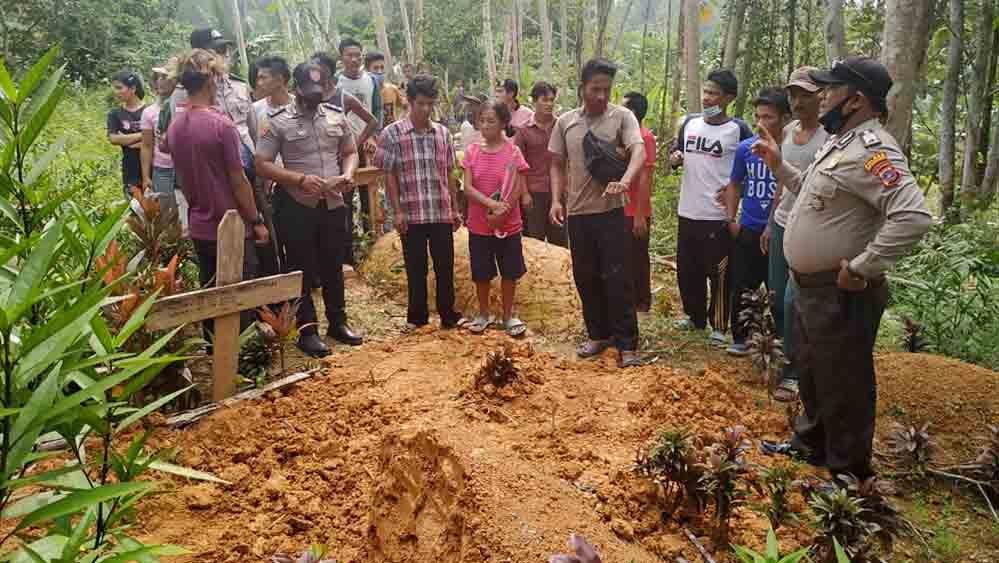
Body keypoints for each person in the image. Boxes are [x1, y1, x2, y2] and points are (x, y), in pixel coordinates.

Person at [754, 57, 933, 478]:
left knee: (844, 381)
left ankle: (849, 474)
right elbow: (812, 193)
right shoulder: (840, 144)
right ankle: (812, 444)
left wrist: (861, 267)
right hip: (811, 288)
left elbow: (913, 216)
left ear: (855, 100)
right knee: (813, 370)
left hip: (840, 291)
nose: (822, 96)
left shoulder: (874, 149)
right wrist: (779, 165)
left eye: (831, 89)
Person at [256, 62, 364, 358]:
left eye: (319, 92)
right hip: (296, 205)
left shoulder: (336, 115)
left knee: (333, 264)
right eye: (308, 94)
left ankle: (338, 322)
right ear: (296, 88)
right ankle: (308, 331)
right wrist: (299, 179)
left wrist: (348, 174)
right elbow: (261, 164)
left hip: (333, 202)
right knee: (301, 267)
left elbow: (350, 151)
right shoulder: (276, 120)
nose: (314, 99)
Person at [164, 49, 269, 337]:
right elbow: (238, 181)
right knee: (239, 297)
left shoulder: (175, 127)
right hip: (231, 226)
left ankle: (214, 351)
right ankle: (240, 357)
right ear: (212, 80)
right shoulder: (221, 125)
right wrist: (256, 220)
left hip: (200, 224)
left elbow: (183, 180)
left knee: (210, 293)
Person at [549, 58, 646, 368]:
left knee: (619, 278)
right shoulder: (565, 122)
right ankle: (598, 334)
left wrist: (625, 181)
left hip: (611, 213)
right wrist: (556, 200)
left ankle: (627, 344)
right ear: (582, 88)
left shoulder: (622, 117)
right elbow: (556, 163)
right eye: (595, 89)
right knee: (586, 277)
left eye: (607, 89)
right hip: (578, 215)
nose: (602, 96)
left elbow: (639, 151)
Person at [374, 74, 463, 330]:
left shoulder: (442, 133)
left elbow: (449, 172)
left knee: (445, 265)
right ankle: (417, 317)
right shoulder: (393, 134)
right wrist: (397, 211)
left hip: (440, 210)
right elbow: (389, 174)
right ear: (410, 102)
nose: (425, 109)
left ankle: (448, 314)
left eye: (430, 104)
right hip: (411, 212)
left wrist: (455, 209)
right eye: (421, 103)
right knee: (416, 267)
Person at [670, 69, 752, 345]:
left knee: (719, 272)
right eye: (706, 91)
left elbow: (754, 167)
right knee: (687, 270)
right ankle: (694, 318)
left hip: (717, 215)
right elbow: (676, 154)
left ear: (728, 98)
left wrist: (737, 193)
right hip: (688, 210)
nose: (707, 98)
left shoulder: (738, 130)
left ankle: (719, 324)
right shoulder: (690, 123)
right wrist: (675, 158)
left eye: (714, 93)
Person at [767, 67, 828, 402]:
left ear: (822, 97)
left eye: (806, 95)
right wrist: (769, 221)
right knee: (776, 296)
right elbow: (781, 178)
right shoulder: (789, 131)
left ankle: (793, 373)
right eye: (793, 95)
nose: (798, 102)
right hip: (781, 222)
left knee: (794, 301)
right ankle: (782, 354)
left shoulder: (829, 137)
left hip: (809, 227)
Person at [719, 87, 790, 355]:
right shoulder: (745, 149)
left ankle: (780, 340)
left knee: (778, 289)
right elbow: (734, 184)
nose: (760, 123)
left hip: (781, 231)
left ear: (785, 118)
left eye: (768, 117)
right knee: (742, 284)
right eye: (757, 116)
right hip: (748, 228)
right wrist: (731, 219)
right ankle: (741, 338)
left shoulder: (790, 151)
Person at [462, 99, 531, 336]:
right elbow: (467, 188)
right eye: (481, 120)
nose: (485, 125)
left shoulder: (513, 153)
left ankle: (508, 315)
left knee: (509, 272)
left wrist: (504, 212)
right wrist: (492, 205)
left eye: (491, 121)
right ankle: (483, 314)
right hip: (479, 225)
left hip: (508, 225)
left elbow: (518, 186)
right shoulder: (472, 151)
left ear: (503, 123)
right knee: (481, 272)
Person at [311, 49, 379, 265]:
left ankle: (347, 260)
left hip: (340, 165)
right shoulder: (306, 97)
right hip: (315, 165)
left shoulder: (343, 97)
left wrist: (354, 145)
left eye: (317, 69)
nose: (313, 73)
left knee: (343, 210)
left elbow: (372, 121)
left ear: (328, 71)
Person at [250, 56, 294, 278]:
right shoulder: (255, 110)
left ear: (280, 79)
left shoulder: (299, 106)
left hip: (297, 180)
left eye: (263, 77)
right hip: (267, 182)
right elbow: (254, 144)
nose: (258, 83)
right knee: (275, 232)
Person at [513, 81, 566, 246]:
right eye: (544, 100)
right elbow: (519, 165)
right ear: (534, 101)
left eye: (551, 100)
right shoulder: (523, 130)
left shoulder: (561, 126)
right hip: (534, 194)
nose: (549, 104)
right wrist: (524, 194)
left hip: (560, 193)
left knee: (560, 242)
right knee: (535, 242)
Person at [621, 92, 658, 313]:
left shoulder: (645, 138)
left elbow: (646, 178)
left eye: (624, 107)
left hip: (635, 210)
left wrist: (639, 214)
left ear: (633, 112)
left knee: (638, 258)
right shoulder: (623, 137)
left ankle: (642, 302)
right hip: (620, 207)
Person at [140, 61, 178, 214]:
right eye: (158, 77)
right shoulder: (149, 112)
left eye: (165, 77)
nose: (161, 81)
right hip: (162, 169)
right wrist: (145, 177)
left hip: (185, 168)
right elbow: (147, 145)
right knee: (166, 213)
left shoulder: (184, 108)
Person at [107, 71, 147, 197]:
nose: (116, 92)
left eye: (119, 88)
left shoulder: (150, 111)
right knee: (134, 206)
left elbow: (159, 138)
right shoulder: (114, 114)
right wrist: (145, 135)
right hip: (130, 171)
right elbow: (114, 138)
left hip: (153, 169)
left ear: (133, 88)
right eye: (114, 88)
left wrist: (126, 139)